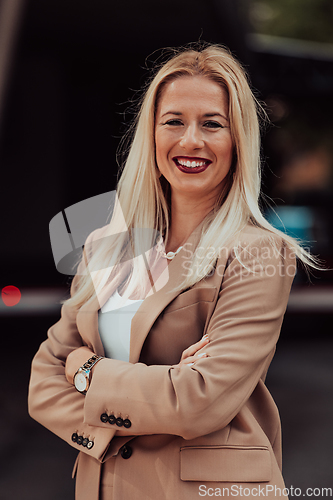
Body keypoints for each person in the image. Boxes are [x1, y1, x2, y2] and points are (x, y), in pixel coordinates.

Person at [28, 43, 317, 500]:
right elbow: (43, 380)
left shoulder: (259, 253)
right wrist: (122, 419)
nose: (191, 141)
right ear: (152, 134)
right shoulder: (107, 247)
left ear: (238, 139)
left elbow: (198, 400)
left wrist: (87, 373)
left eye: (212, 124)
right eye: (174, 121)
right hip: (103, 485)